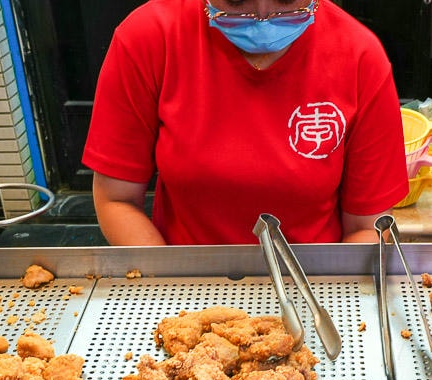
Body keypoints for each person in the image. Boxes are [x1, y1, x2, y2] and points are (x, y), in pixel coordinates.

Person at [82, 0, 409, 246]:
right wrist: (170, 295)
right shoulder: (149, 38)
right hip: (182, 279)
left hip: (314, 281)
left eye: (286, 2)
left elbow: (368, 227)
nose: (262, 18)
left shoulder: (359, 57)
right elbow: (117, 200)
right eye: (236, 2)